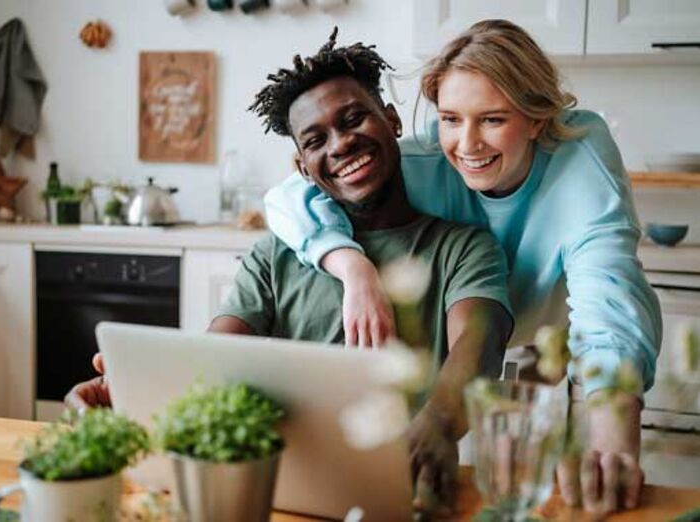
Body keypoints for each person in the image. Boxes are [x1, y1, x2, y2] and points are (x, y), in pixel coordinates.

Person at [67, 28, 514, 516]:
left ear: (391, 120)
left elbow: (478, 348)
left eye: (354, 118)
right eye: (317, 140)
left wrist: (437, 426)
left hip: (406, 493)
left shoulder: (463, 247)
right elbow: (214, 362)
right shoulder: (273, 256)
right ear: (303, 167)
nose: (341, 144)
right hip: (279, 493)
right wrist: (132, 396)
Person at [263, 19, 661, 515]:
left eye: (492, 119)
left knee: (580, 477)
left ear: (536, 118)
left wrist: (612, 425)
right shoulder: (427, 156)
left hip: (563, 337)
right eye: (451, 118)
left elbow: (608, 295)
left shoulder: (579, 157)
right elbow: (286, 197)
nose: (466, 145)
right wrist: (353, 268)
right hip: (486, 327)